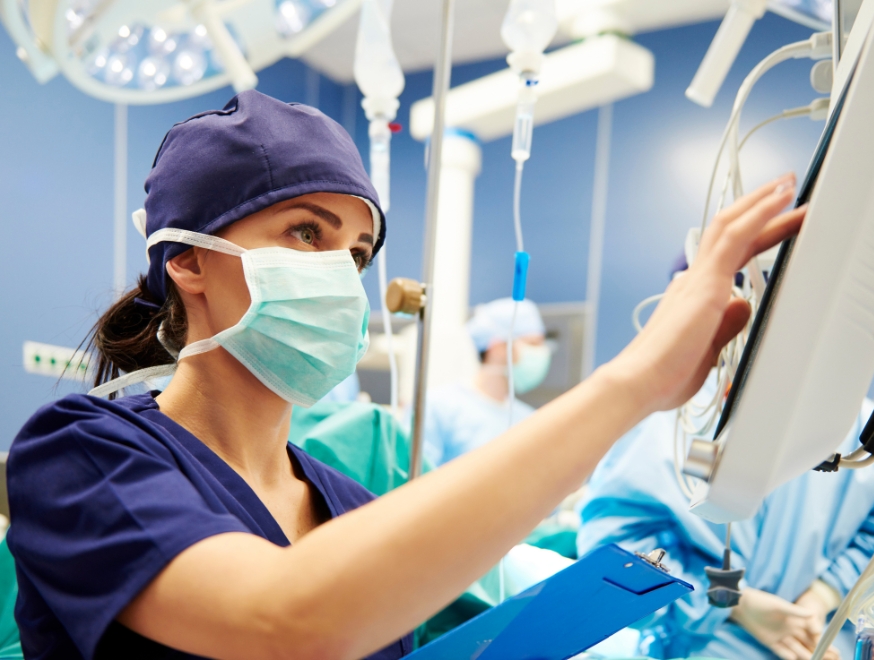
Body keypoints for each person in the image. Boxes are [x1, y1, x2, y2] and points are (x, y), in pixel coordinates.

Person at [6, 89, 805, 660]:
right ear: (186, 260)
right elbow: (285, 623)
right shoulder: (82, 455)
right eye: (305, 232)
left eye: (355, 252)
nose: (340, 272)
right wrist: (630, 386)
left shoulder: (348, 505)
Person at [577, 381, 874, 660]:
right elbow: (619, 553)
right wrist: (733, 603)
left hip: (822, 642)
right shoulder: (678, 423)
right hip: (706, 645)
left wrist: (823, 595)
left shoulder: (857, 437)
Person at [422, 298, 549, 466]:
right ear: (497, 348)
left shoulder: (530, 420)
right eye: (532, 343)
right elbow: (415, 483)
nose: (541, 352)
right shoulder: (437, 407)